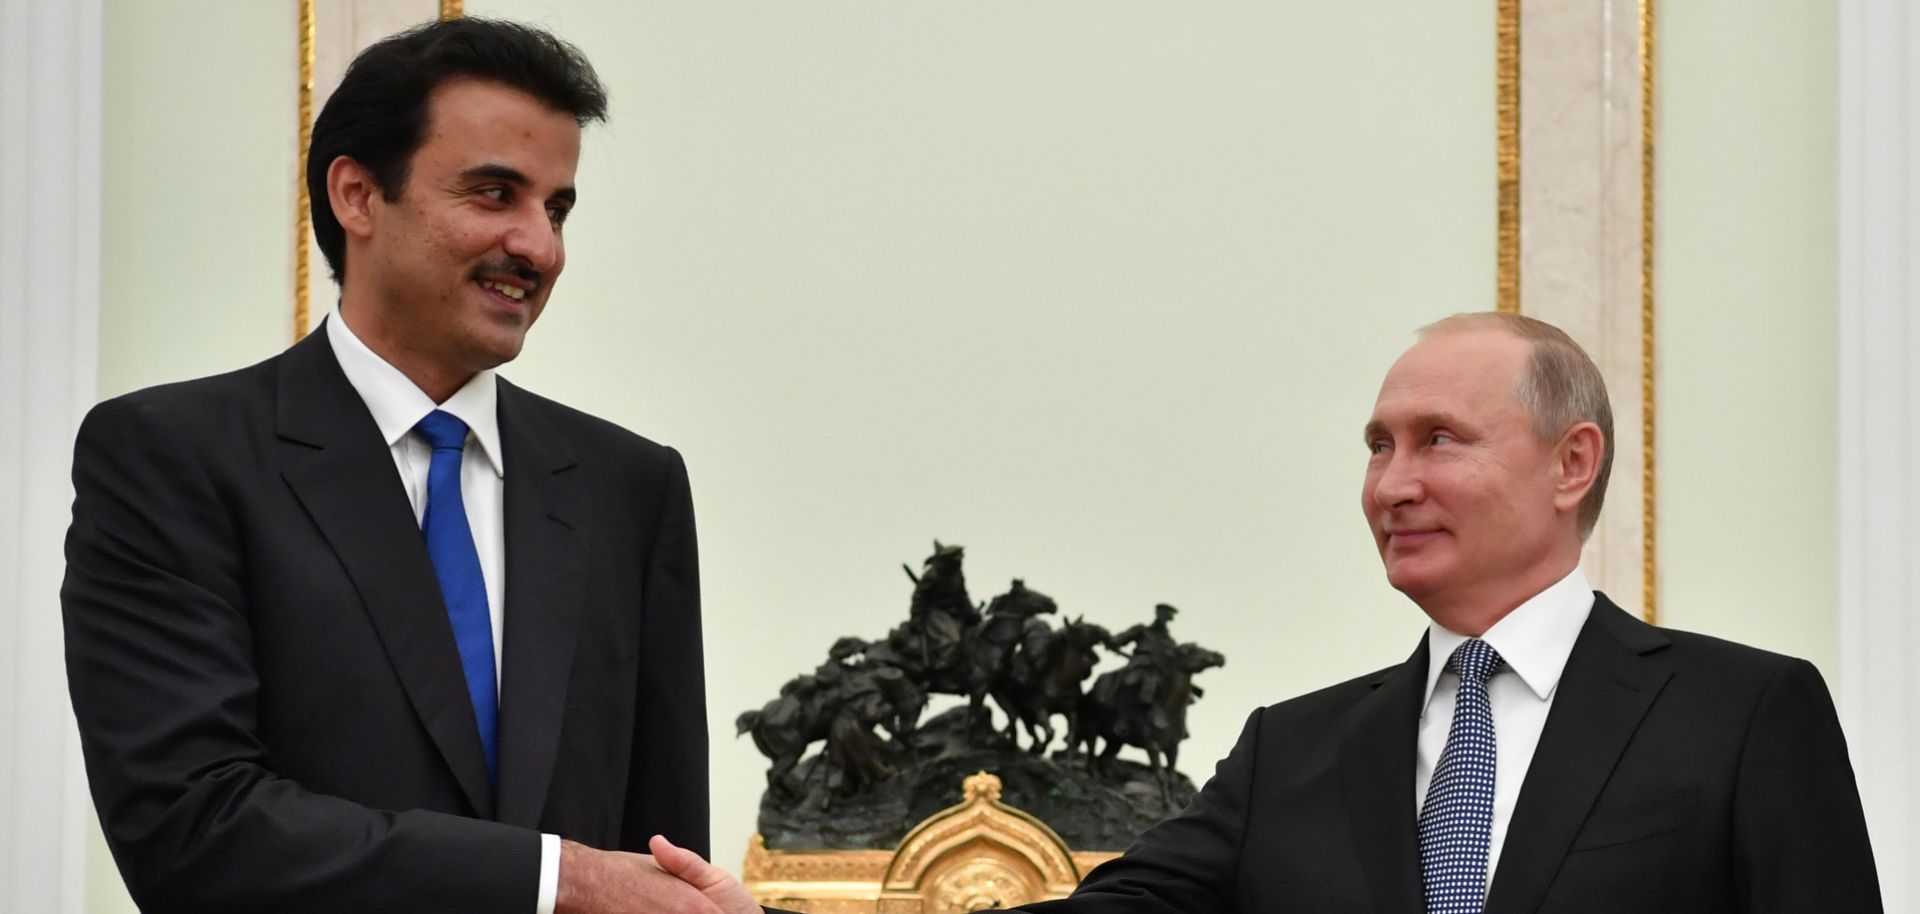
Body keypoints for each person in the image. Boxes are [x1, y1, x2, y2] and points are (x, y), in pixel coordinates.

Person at [655, 312, 1884, 913]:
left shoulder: (1742, 714)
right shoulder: (1294, 751)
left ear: (1572, 464)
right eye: (1377, 446)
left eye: (1439, 441)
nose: (1390, 483)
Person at [63, 18, 742, 914]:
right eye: (494, 193)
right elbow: (192, 830)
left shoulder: (630, 486)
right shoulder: (172, 458)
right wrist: (558, 878)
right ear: (357, 195)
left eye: (557, 207)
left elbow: (661, 868)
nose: (539, 247)